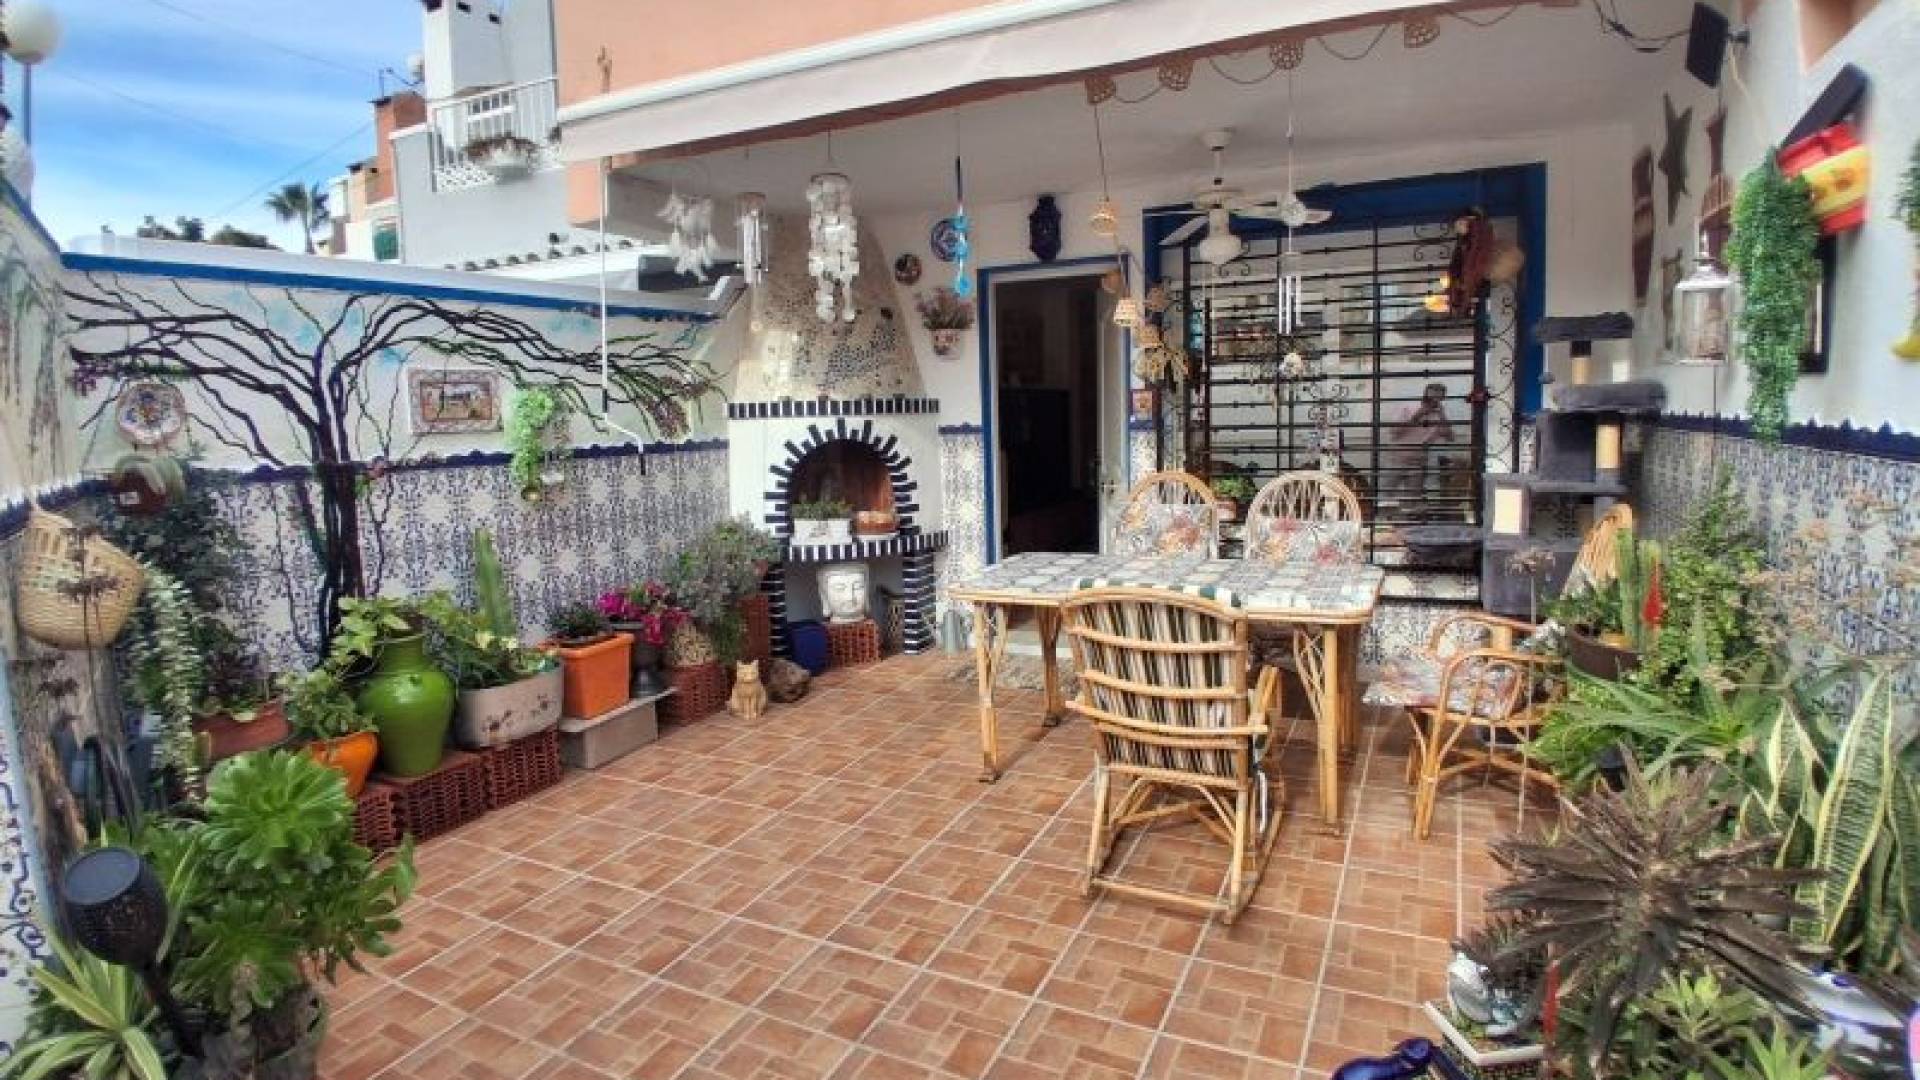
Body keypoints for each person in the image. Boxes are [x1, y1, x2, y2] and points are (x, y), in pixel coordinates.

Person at [1386, 383, 1453, 507]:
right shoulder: (1408, 408)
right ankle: (1381, 515)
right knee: (1386, 491)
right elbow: (1394, 432)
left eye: (1439, 398)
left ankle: (1406, 516)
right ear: (1425, 395)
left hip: (1419, 460)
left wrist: (1442, 415)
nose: (1434, 401)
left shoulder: (1438, 416)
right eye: (1432, 397)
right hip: (1399, 456)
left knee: (1412, 499)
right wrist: (1417, 416)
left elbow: (1450, 437)